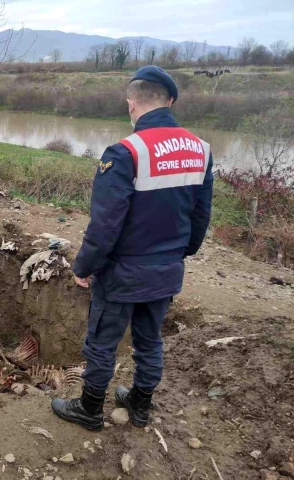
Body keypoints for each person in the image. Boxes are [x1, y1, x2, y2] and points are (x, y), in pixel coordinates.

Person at [51, 66, 213, 431]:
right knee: (149, 340)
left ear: (131, 104)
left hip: (123, 272)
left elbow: (105, 224)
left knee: (102, 342)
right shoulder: (201, 150)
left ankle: (90, 408)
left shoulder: (126, 152)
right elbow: (201, 217)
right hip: (167, 269)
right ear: (169, 101)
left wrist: (84, 267)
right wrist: (178, 255)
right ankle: (140, 404)